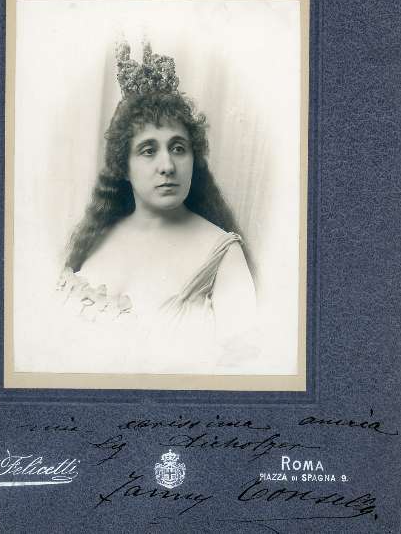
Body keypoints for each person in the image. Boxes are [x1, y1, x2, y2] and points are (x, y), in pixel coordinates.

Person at [57, 42, 255, 374]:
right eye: (148, 150)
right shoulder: (96, 236)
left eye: (178, 148)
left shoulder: (223, 254)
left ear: (193, 157)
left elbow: (247, 373)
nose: (167, 165)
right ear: (123, 166)